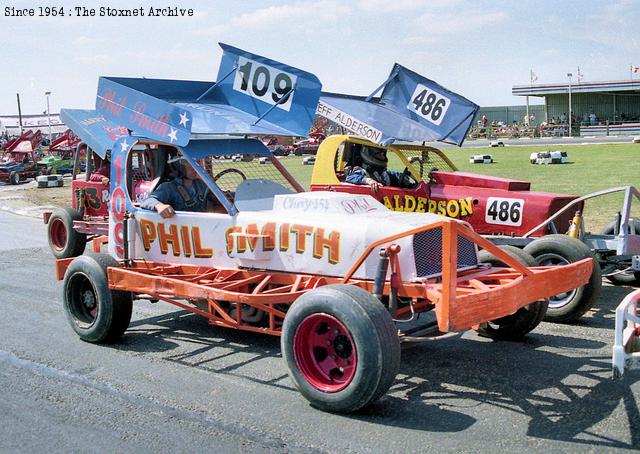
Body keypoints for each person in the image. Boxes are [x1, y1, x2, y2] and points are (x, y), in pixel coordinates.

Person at [141, 156, 220, 218]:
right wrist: (159, 206)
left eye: (197, 163)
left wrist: (228, 196)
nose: (195, 168)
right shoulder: (169, 187)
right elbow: (147, 201)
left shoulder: (202, 184)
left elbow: (216, 198)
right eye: (190, 164)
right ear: (179, 167)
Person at [345, 146, 415, 192]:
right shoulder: (362, 171)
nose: (383, 157)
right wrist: (369, 181)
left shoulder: (383, 173)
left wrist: (409, 175)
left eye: (383, 154)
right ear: (369, 155)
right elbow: (350, 177)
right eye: (379, 154)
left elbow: (397, 175)